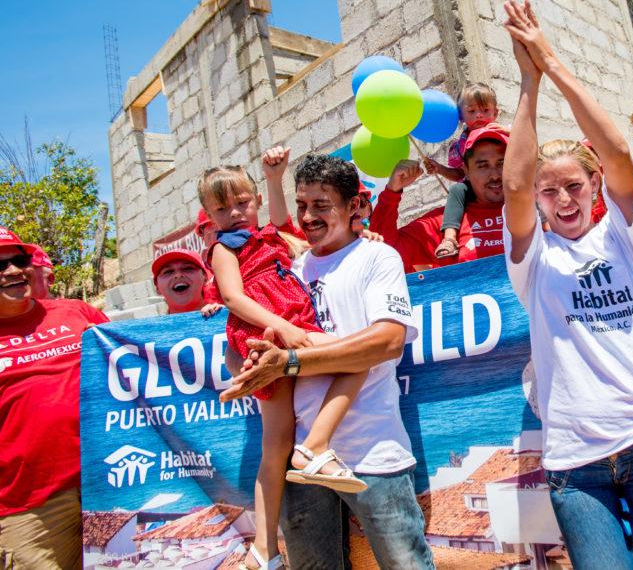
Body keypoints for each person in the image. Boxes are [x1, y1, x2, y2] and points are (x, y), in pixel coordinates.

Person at [501, 0, 633, 569]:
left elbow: (615, 151)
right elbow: (512, 186)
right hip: (574, 467)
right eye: (549, 191)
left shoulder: (624, 234)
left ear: (595, 186)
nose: (564, 201)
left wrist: (552, 61)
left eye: (575, 187)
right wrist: (528, 85)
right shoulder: (531, 260)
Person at [220, 154, 434, 570]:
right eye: (302, 205)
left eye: (321, 205)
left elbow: (388, 342)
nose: (308, 216)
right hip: (299, 467)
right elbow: (242, 335)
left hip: (374, 455)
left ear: (354, 206)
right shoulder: (287, 267)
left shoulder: (378, 257)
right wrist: (249, 363)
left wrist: (291, 362)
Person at [200, 147, 366, 570]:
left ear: (254, 200)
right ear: (208, 214)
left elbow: (281, 221)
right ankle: (307, 462)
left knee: (276, 442)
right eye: (222, 208)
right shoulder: (225, 248)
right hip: (266, 331)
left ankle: (265, 549)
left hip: (286, 323)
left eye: (242, 202)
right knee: (355, 359)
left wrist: (275, 176)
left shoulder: (269, 237)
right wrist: (287, 330)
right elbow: (233, 297)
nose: (235, 213)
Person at [0, 227, 109, 569]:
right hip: (28, 506)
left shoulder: (78, 313)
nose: (13, 271)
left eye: (19, 260)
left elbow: (136, 363)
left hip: (111, 485)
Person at [371, 124, 508, 272]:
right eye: (483, 166)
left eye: (502, 163)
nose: (495, 175)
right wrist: (392, 193)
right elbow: (384, 252)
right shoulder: (445, 221)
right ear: (466, 171)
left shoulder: (534, 210)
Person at [422, 83, 501, 258]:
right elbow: (460, 175)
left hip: (505, 185)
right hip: (476, 188)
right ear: (461, 117)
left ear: (496, 113)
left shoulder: (504, 134)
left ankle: (544, 225)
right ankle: (450, 238)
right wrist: (440, 169)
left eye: (485, 110)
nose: (479, 115)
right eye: (472, 111)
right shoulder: (460, 146)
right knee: (457, 189)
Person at [152, 248, 223, 316]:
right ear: (157, 287)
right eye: (168, 271)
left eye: (187, 268)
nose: (178, 275)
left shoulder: (227, 316)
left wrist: (225, 316)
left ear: (205, 278)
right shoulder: (152, 328)